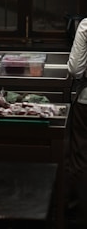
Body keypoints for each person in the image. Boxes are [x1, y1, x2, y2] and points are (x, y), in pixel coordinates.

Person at [66, 17, 87, 225]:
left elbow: (75, 70)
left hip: (86, 103)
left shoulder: (86, 25)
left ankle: (80, 218)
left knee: (81, 158)